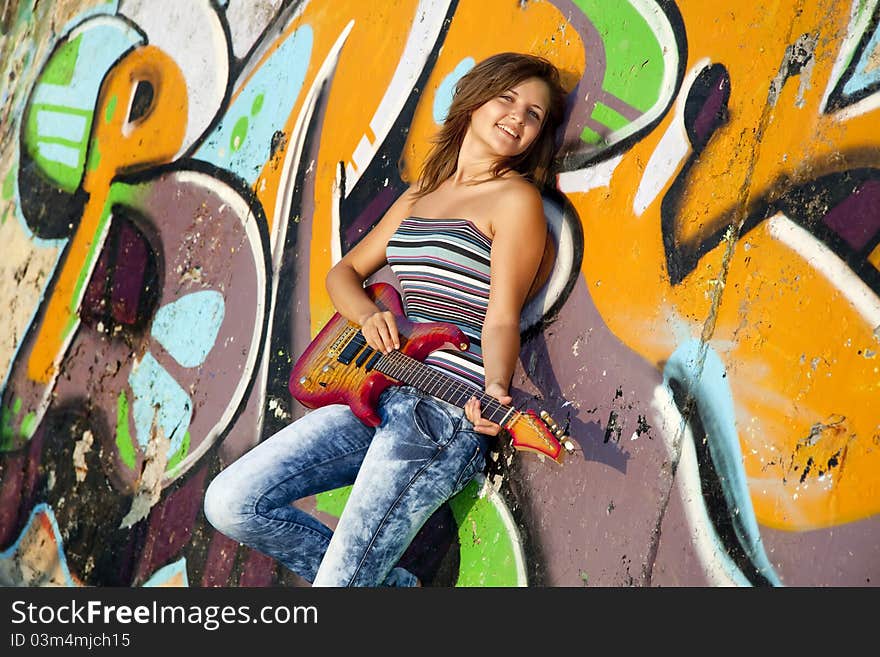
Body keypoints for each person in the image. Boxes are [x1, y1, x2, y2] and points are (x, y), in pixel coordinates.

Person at [204, 52, 569, 586]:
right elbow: (343, 273)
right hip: (381, 390)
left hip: (443, 414)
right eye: (507, 98)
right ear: (473, 100)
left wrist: (494, 390)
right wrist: (368, 313)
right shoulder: (420, 195)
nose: (518, 116)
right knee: (232, 501)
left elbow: (500, 316)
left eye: (534, 114)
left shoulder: (515, 201)